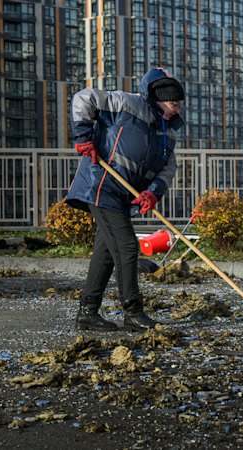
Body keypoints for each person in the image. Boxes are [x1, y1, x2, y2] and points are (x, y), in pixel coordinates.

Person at [65, 67, 185, 332]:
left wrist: (153, 191)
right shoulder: (125, 103)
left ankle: (88, 312)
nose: (177, 109)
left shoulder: (168, 133)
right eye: (173, 103)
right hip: (101, 185)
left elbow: (168, 168)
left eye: (178, 105)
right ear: (157, 96)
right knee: (128, 247)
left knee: (106, 253)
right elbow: (84, 98)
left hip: (122, 195)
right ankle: (133, 312)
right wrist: (84, 136)